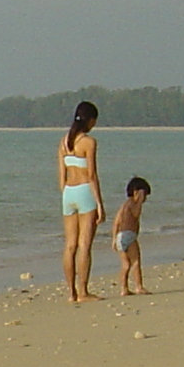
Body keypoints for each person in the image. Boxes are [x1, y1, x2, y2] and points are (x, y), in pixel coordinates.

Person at [57, 100, 103, 302]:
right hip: (84, 191)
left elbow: (61, 176)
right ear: (90, 120)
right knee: (84, 245)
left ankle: (71, 292)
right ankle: (83, 291)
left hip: (68, 192)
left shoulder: (64, 142)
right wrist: (99, 204)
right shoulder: (89, 142)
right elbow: (92, 175)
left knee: (70, 245)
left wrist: (66, 195)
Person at [111, 176, 151, 296]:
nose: (145, 199)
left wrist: (114, 238)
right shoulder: (133, 204)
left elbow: (116, 221)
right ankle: (139, 286)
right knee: (135, 262)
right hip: (129, 236)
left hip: (120, 236)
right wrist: (139, 201)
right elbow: (136, 214)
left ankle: (124, 289)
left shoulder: (124, 205)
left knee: (126, 264)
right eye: (145, 195)